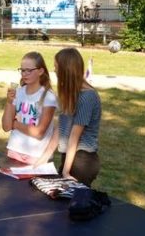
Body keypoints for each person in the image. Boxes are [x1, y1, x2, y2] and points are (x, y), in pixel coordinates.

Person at [1, 52, 58, 168]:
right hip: (14, 151)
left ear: (41, 71)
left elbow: (38, 133)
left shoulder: (48, 96)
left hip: (36, 156)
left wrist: (15, 124)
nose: (24, 74)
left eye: (29, 70)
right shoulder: (18, 92)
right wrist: (9, 102)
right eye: (22, 70)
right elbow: (6, 127)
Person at [55, 47, 101, 186]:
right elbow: (61, 130)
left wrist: (65, 172)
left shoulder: (87, 97)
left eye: (57, 67)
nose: (55, 71)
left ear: (66, 70)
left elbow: (74, 137)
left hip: (83, 162)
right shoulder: (71, 95)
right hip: (69, 158)